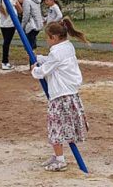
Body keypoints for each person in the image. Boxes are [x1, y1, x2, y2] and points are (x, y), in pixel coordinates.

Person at [31, 18, 89, 172]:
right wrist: (39, 58)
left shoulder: (56, 52)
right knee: (60, 127)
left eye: (47, 38)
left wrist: (34, 68)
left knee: (55, 127)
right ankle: (57, 156)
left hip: (60, 95)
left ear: (54, 38)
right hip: (70, 93)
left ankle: (60, 160)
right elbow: (52, 61)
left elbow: (43, 72)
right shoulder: (67, 46)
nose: (46, 41)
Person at [0, 0, 22, 70]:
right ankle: (5, 62)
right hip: (10, 24)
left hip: (3, 24)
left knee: (6, 42)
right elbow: (20, 10)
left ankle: (5, 61)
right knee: (6, 43)